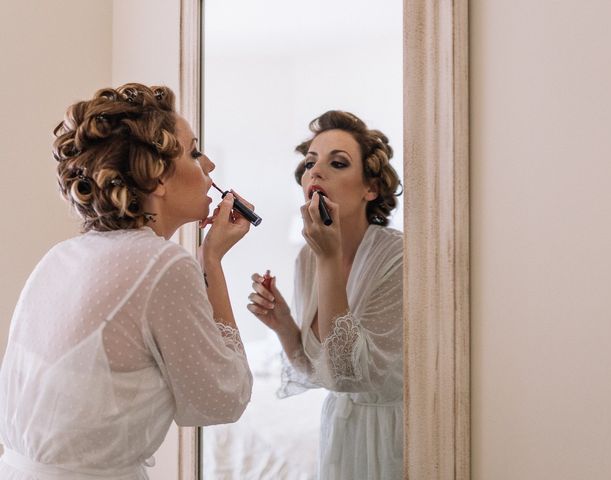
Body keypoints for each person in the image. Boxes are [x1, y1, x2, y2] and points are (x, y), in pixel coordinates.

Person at [0, 83, 253, 479]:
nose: (210, 168)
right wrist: (211, 261)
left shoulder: (63, 255)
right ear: (157, 177)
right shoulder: (163, 264)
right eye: (194, 152)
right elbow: (222, 398)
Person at [247, 111, 403, 480]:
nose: (316, 172)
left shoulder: (398, 258)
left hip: (393, 435)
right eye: (309, 162)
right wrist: (284, 325)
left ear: (371, 188)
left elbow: (353, 376)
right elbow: (324, 374)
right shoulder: (308, 256)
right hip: (341, 433)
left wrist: (330, 258)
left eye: (338, 163)